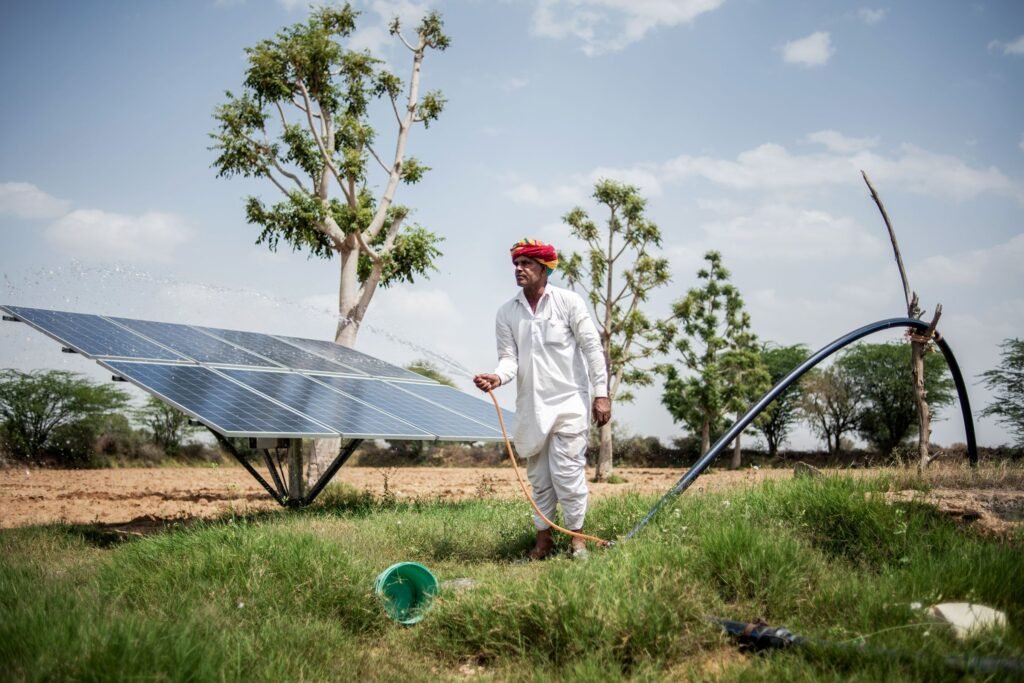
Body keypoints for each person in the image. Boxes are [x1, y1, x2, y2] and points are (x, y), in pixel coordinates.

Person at [474, 238, 611, 560]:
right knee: (539, 478)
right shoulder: (507, 312)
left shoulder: (569, 303)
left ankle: (577, 540)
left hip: (569, 403)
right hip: (531, 406)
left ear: (545, 269)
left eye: (526, 264)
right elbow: (509, 359)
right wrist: (497, 376)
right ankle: (543, 540)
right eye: (516, 265)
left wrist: (601, 394)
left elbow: (592, 349)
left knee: (567, 474)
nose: (519, 270)